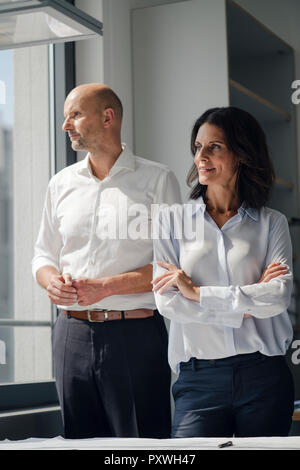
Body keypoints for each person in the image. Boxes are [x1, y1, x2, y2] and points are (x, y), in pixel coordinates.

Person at [32, 83, 181, 439]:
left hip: (135, 336)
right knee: (77, 442)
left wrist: (105, 287)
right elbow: (42, 254)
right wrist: (49, 279)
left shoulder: (158, 180)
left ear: (108, 117)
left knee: (141, 447)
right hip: (71, 335)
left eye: (75, 114)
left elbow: (173, 266)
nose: (66, 125)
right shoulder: (60, 184)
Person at [152, 106, 295, 438]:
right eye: (198, 147)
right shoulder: (171, 221)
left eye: (214, 146)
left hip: (264, 377)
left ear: (242, 154)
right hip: (198, 381)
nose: (201, 156)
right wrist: (243, 308)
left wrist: (198, 293)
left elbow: (277, 297)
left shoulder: (271, 223)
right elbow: (168, 303)